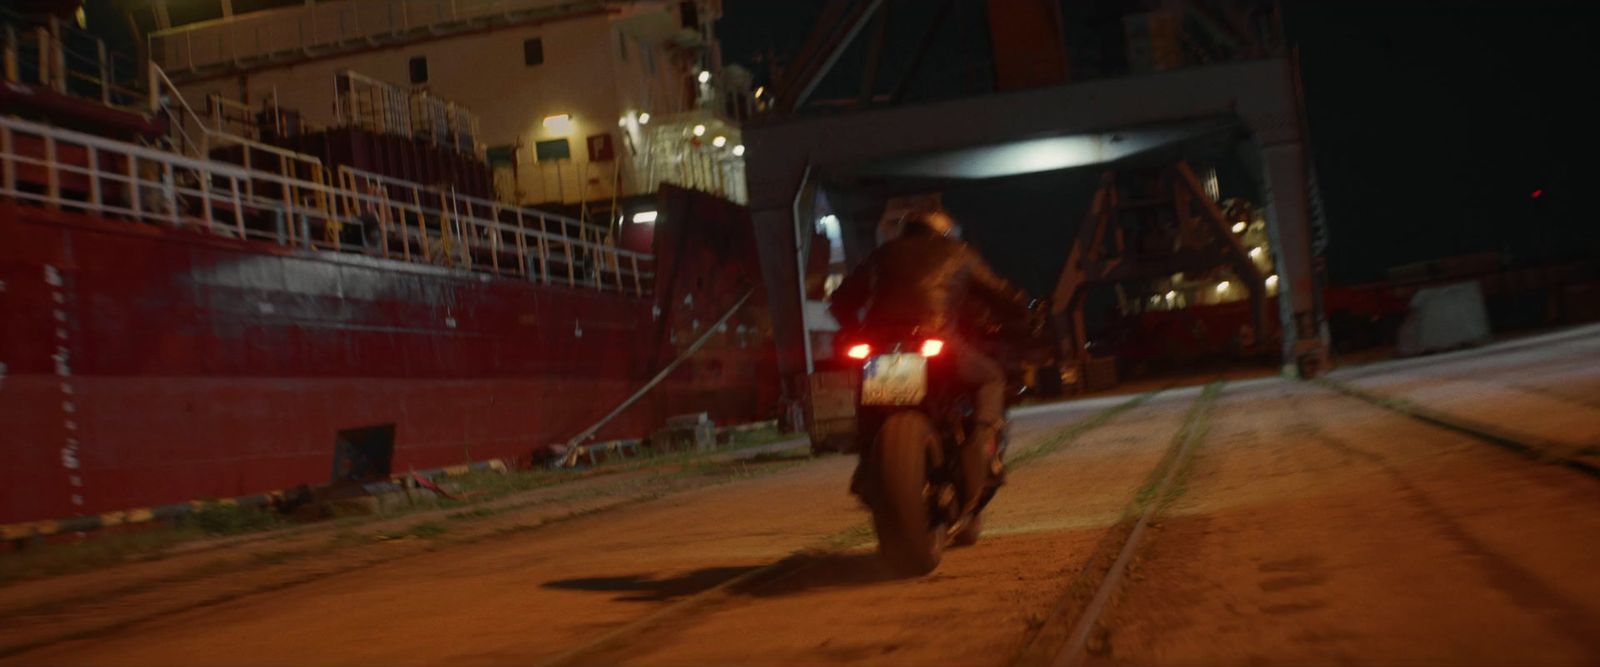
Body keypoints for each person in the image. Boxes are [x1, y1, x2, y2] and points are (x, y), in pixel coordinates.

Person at [828, 206, 1033, 522]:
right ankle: (981, 448)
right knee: (991, 378)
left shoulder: (882, 254)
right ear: (944, 232)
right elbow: (999, 294)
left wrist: (854, 330)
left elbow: (840, 301)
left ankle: (867, 459)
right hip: (936, 340)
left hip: (879, 347)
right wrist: (1022, 313)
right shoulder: (957, 253)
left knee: (868, 404)